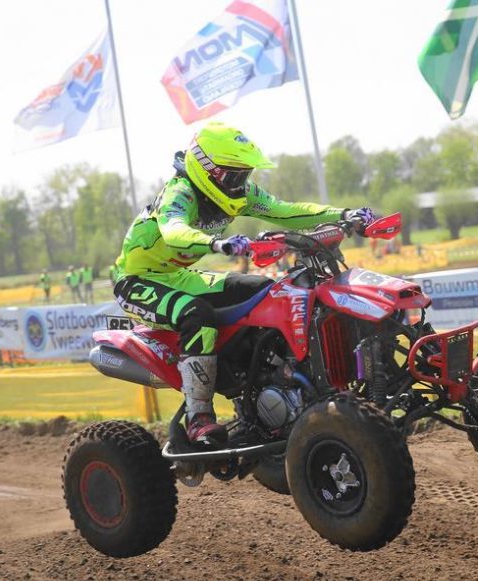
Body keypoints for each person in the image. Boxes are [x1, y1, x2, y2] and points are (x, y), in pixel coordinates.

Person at [113, 121, 374, 444]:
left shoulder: (240, 194)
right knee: (197, 315)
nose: (240, 184)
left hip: (179, 276)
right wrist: (215, 244)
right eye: (233, 176)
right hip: (137, 281)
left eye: (244, 175)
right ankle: (198, 417)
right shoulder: (180, 192)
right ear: (206, 170)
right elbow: (174, 230)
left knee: (265, 292)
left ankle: (268, 387)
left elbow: (285, 211)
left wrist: (342, 214)